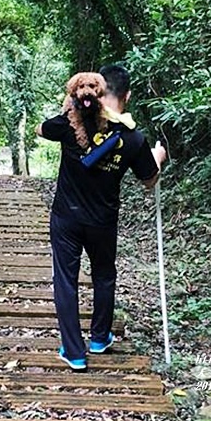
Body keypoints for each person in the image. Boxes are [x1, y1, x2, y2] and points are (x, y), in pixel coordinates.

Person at [35, 63, 167, 371]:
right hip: (103, 220)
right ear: (127, 95)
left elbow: (41, 129)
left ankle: (74, 352)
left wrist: (67, 106)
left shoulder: (70, 122)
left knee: (65, 280)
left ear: (97, 89)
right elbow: (149, 181)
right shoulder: (133, 138)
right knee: (104, 274)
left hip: (66, 216)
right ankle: (98, 337)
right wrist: (158, 158)